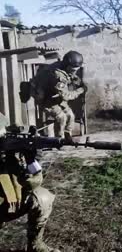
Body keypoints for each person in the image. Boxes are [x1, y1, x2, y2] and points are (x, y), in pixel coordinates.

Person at [0, 113, 59, 252]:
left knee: (41, 198)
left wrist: (31, 160)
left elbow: (31, 183)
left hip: (5, 204)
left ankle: (35, 246)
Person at [30, 51, 87, 141]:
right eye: (73, 70)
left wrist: (78, 82)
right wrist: (80, 90)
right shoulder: (57, 75)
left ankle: (68, 134)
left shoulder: (63, 67)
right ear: (67, 66)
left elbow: (72, 77)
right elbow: (66, 96)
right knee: (61, 117)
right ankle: (59, 139)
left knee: (70, 115)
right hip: (46, 100)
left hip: (56, 97)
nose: (74, 72)